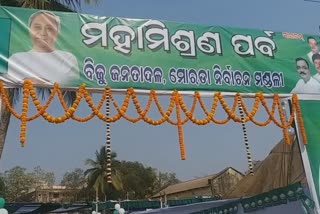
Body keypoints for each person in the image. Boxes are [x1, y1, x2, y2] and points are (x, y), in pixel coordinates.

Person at [2, 11, 79, 86]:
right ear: (29, 30)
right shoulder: (16, 58)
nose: (43, 33)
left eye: (49, 28)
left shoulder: (67, 58)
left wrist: (35, 81)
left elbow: (70, 82)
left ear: (57, 32)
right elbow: (8, 81)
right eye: (37, 27)